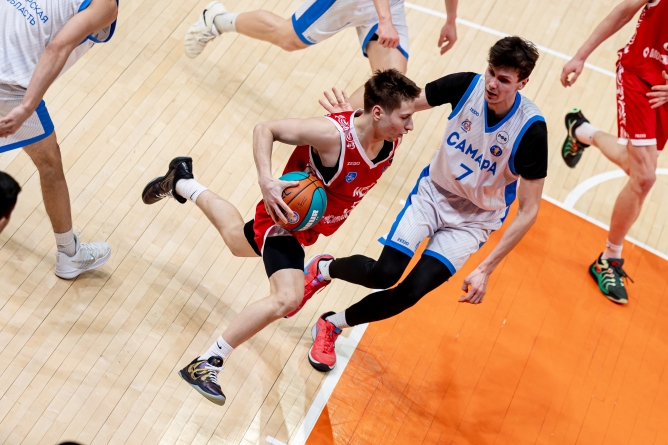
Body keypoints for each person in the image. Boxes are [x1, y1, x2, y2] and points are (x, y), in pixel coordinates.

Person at [141, 69, 421, 405]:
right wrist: (266, 180)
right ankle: (207, 363)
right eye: (405, 117)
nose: (410, 125)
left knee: (236, 240)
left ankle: (181, 181)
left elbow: (368, 122)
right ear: (378, 112)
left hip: (309, 225)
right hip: (285, 219)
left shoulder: (387, 134)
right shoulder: (331, 135)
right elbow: (265, 129)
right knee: (287, 298)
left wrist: (357, 120)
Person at [299, 36, 548, 372]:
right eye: (491, 72)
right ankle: (323, 269)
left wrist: (485, 268)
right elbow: (399, 105)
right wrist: (350, 119)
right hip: (434, 195)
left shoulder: (531, 131)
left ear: (522, 83)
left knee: (409, 293)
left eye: (504, 80)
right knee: (384, 274)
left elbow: (529, 211)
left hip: (475, 220)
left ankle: (331, 324)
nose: (492, 84)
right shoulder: (465, 86)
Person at [0, 0, 118, 279]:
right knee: (49, 163)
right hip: (11, 89)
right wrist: (27, 107)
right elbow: (57, 47)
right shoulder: (105, 5)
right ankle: (69, 255)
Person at [559, 0, 668, 304]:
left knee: (637, 169)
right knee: (644, 178)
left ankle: (581, 130)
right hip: (639, 77)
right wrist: (580, 56)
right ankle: (608, 259)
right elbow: (623, 11)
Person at [183, 0, 458, 106]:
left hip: (388, 4)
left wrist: (450, 20)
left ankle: (338, 127)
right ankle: (216, 20)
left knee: (391, 79)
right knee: (288, 38)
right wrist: (384, 21)